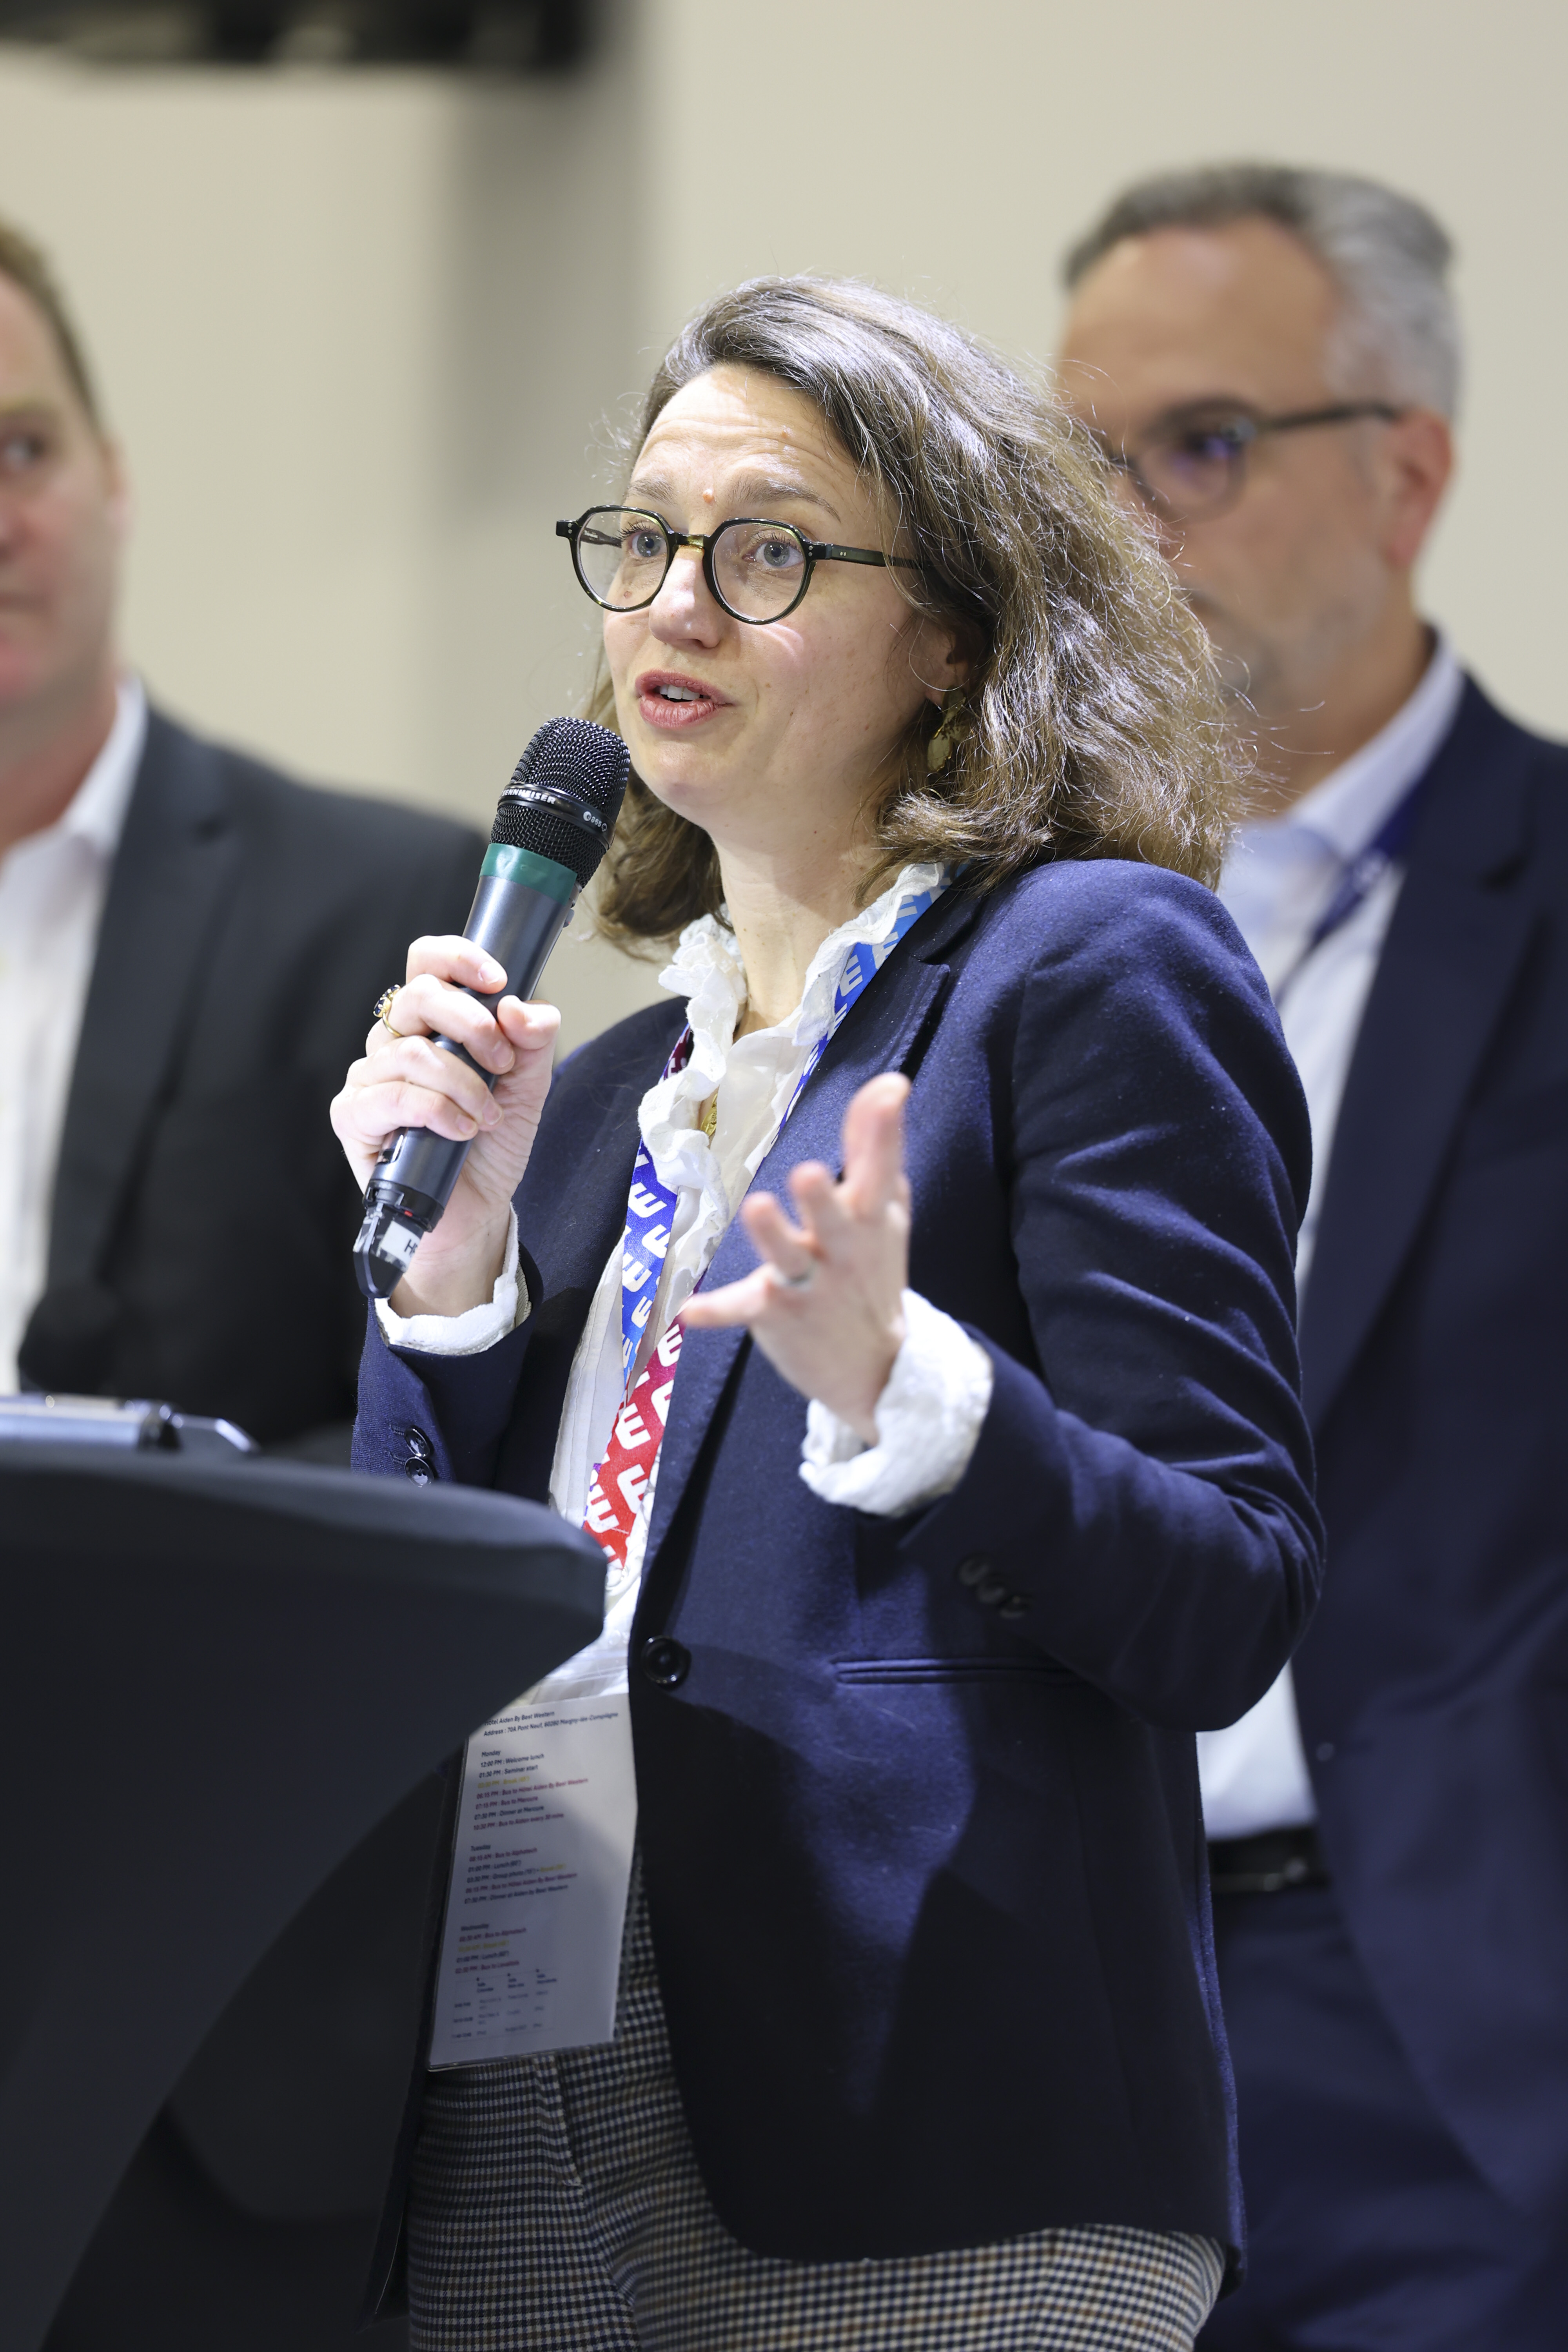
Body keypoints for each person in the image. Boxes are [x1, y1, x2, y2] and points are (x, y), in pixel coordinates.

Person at [334, 274, 1323, 2352]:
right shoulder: (589, 1099)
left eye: (767, 550)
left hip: (929, 2119)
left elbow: (1226, 1594)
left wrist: (917, 1391)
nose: (675, 604)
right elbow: (436, 1612)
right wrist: (451, 1284)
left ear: (954, 633)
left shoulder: (1086, 968)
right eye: (644, 540)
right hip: (510, 2076)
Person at [1058, 163, 1568, 2348]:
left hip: (1454, 2032)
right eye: (1082, 465)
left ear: (1409, 475)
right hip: (1056, 2010)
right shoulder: (1001, 941)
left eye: (1203, 446)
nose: (1126, 529)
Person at [0, 216, 483, 2348]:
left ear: (113, 479)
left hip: (202, 2021)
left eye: (19, 446)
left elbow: (440, 1441)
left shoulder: (376, 908)